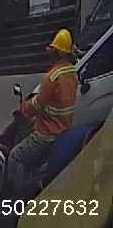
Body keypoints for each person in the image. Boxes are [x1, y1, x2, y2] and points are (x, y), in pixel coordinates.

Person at [9, 28, 79, 194]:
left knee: (14, 156)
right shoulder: (72, 72)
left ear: (59, 53)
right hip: (64, 129)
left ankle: (17, 199)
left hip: (47, 134)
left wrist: (23, 109)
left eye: (53, 50)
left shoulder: (53, 76)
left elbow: (37, 105)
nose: (50, 53)